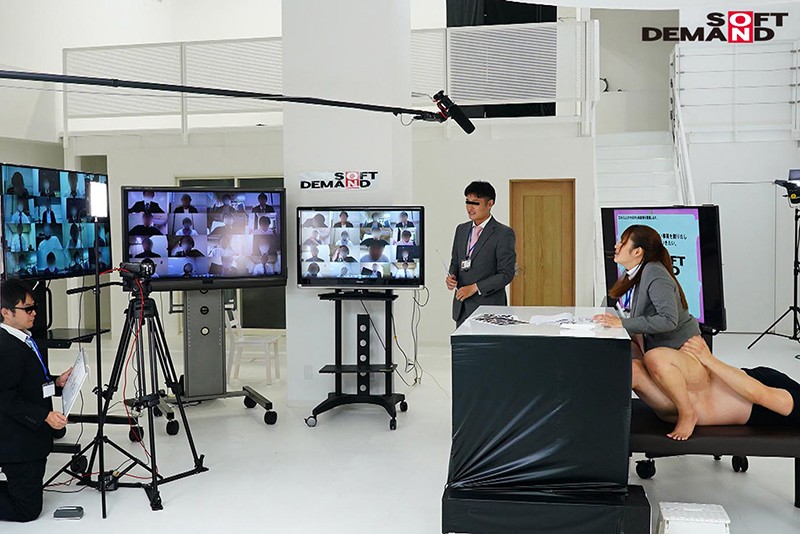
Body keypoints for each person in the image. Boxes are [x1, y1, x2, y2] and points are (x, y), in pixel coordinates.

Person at [593, 224, 702, 440]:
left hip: (680, 354)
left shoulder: (655, 273)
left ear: (637, 251)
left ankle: (687, 413)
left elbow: (668, 320)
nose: (616, 246)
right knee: (615, 351)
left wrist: (622, 324)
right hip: (661, 349)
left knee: (631, 364)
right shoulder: (636, 273)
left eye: (622, 242)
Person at [0, 279, 71, 522]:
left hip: (32, 438)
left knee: (30, 492)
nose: (34, 313)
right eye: (27, 309)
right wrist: (45, 416)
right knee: (27, 511)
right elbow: (5, 398)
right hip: (16, 440)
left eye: (34, 307)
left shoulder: (23, 338)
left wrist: (57, 383)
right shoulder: (6, 348)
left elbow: (28, 384)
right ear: (6, 312)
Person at [635, 335, 800, 432]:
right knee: (632, 360)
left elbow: (759, 394)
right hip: (701, 381)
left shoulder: (795, 403)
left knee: (649, 361)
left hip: (697, 401)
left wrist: (709, 360)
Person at [447, 181, 516, 327]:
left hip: (489, 310)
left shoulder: (503, 233)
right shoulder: (461, 230)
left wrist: (475, 287)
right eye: (467, 202)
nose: (470, 208)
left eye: (475, 203)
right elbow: (455, 262)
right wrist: (452, 276)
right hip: (462, 307)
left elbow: (506, 274)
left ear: (490, 204)